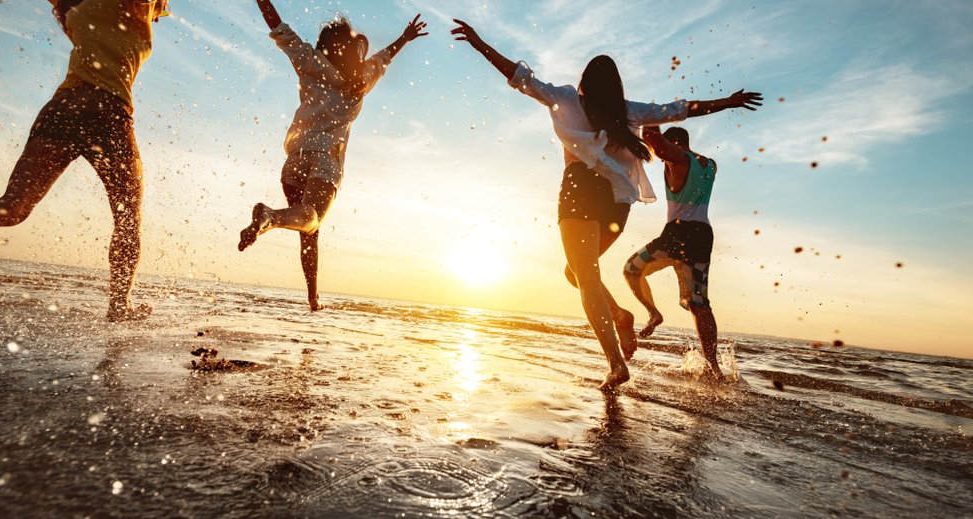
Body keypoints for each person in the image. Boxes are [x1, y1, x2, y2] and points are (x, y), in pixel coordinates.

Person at [451, 19, 761, 391]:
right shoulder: (628, 111)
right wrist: (727, 102)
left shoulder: (567, 98)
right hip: (617, 203)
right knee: (579, 274)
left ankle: (616, 363)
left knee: (586, 279)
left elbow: (519, 77)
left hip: (581, 190)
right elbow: (680, 109)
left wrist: (478, 43)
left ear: (584, 81)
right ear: (616, 86)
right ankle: (620, 315)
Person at [0, 0, 171, 321]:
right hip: (108, 114)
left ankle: (120, 307)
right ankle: (119, 308)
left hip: (65, 108)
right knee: (128, 219)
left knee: (12, 208)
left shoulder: (80, 14)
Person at [237, 0, 428, 312]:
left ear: (324, 44)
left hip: (295, 159)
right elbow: (385, 59)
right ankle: (269, 217)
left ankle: (313, 299)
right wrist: (405, 38)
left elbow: (279, 28)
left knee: (307, 228)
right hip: (326, 160)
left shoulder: (309, 61)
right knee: (310, 221)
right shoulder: (360, 80)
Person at [623, 126, 723, 379]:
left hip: (678, 234)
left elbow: (654, 143)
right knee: (699, 303)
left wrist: (652, 117)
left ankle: (653, 313)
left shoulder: (678, 158)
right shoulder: (710, 164)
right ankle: (714, 366)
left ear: (674, 144)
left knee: (631, 269)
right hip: (702, 235)